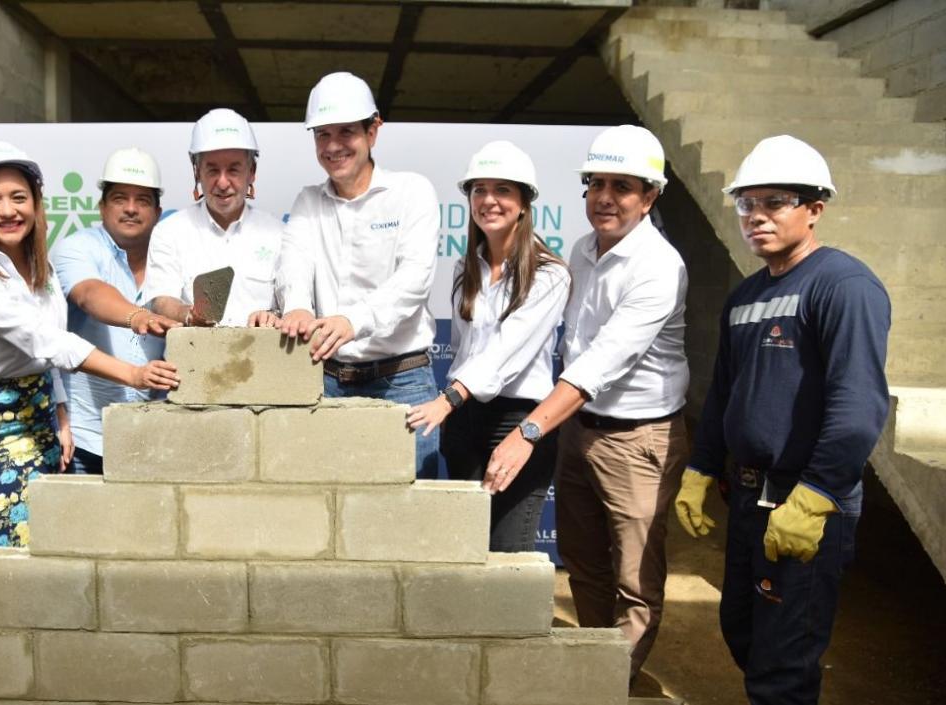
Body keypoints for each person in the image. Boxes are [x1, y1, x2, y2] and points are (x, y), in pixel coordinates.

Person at [674, 136, 890, 705]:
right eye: (746, 203)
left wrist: (815, 495)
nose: (756, 216)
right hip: (749, 499)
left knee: (782, 667)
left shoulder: (843, 286)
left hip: (805, 504)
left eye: (776, 201)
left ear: (815, 208)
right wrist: (699, 469)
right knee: (743, 633)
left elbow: (859, 405)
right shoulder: (746, 296)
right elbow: (724, 391)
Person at [484, 125, 689, 678]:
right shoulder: (582, 248)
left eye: (622, 186)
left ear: (650, 197)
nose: (604, 196)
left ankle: (608, 681)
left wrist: (529, 430)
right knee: (583, 562)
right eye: (596, 183)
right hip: (580, 430)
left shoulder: (658, 266)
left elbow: (599, 364)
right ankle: (597, 664)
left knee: (634, 576)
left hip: (637, 438)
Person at [0, 141, 178, 546]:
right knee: (14, 551)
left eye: (19, 198)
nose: (7, 210)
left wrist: (59, 411)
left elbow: (47, 361)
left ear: (36, 203)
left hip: (40, 416)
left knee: (54, 543)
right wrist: (134, 374)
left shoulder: (38, 268)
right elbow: (45, 340)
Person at [405, 141, 569, 551]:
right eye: (479, 190)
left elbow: (506, 353)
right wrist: (456, 407)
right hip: (465, 421)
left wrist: (449, 397)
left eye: (503, 190)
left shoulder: (550, 275)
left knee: (507, 554)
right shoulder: (466, 267)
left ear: (524, 203)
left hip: (515, 420)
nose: (489, 200)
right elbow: (463, 350)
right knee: (463, 547)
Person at [276, 71, 441, 478]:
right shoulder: (308, 201)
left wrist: (354, 320)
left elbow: (415, 279)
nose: (333, 146)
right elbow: (294, 260)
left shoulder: (412, 192)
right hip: (325, 381)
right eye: (322, 134)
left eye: (346, 132)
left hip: (402, 382)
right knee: (324, 516)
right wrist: (296, 305)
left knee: (405, 515)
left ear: (374, 131)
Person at [51, 147, 177, 474]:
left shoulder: (174, 260)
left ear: (158, 211)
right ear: (102, 207)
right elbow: (89, 294)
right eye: (120, 198)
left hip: (160, 437)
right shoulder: (76, 247)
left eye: (143, 200)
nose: (131, 209)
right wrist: (138, 316)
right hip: (88, 441)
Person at [146, 108, 284, 327]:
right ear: (197, 172)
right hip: (194, 357)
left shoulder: (279, 234)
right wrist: (188, 314)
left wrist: (273, 316)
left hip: (262, 357)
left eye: (233, 170)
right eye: (212, 170)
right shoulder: (170, 232)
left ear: (252, 172)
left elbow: (295, 303)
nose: (222, 183)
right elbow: (161, 299)